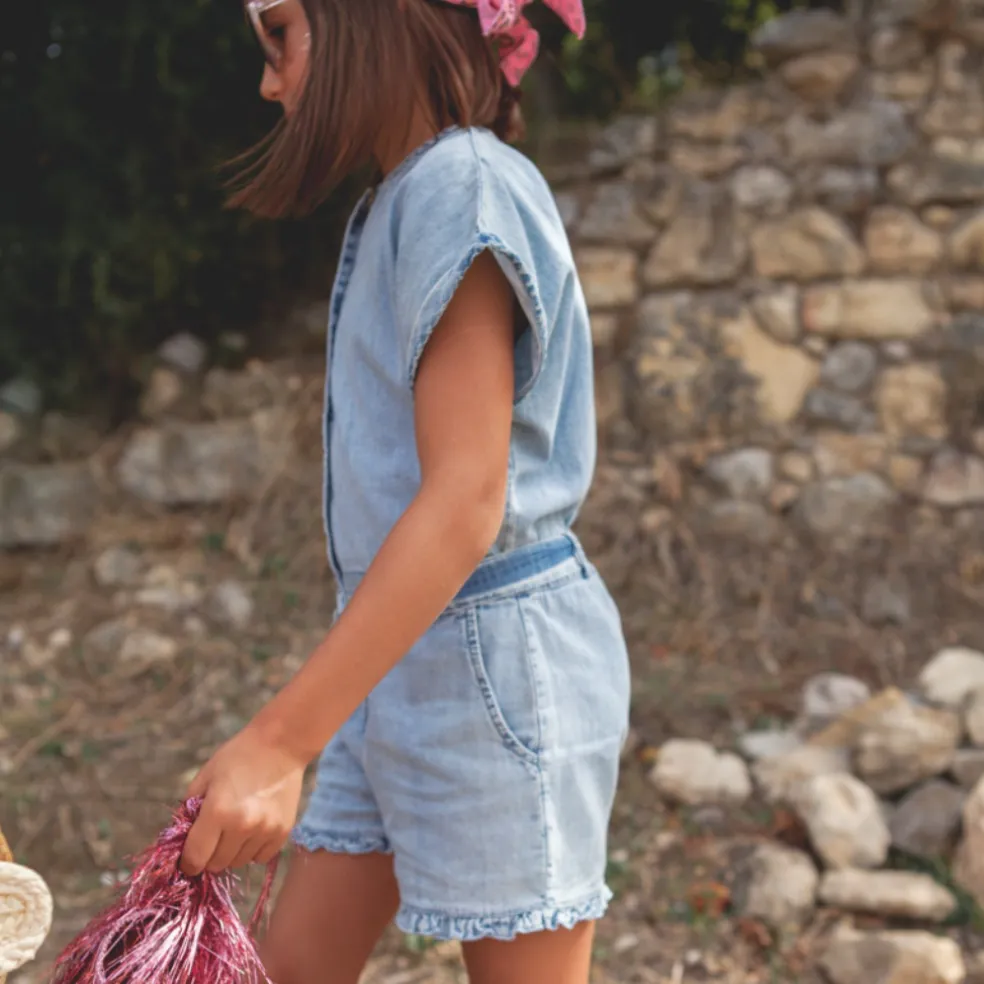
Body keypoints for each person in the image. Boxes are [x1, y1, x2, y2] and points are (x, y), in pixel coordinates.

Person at [178, 1, 631, 981]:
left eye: (281, 35)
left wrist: (277, 743)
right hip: (393, 659)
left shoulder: (462, 186)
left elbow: (466, 501)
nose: (269, 80)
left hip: (497, 667)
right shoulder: (407, 196)